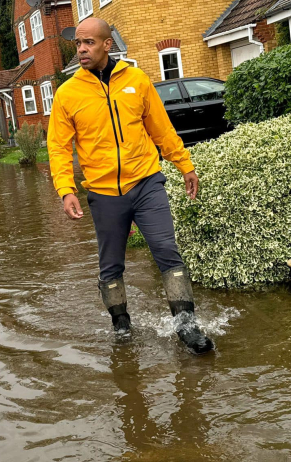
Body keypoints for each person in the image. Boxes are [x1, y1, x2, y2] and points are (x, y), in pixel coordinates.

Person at [47, 17, 214, 354]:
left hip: (146, 182)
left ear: (107, 44)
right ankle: (121, 325)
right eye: (78, 43)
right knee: (111, 265)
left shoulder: (136, 81)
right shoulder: (67, 94)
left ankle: (187, 326)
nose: (81, 49)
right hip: (104, 193)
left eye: (89, 43)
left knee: (167, 252)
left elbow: (161, 129)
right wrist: (66, 190)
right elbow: (59, 147)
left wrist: (185, 165)